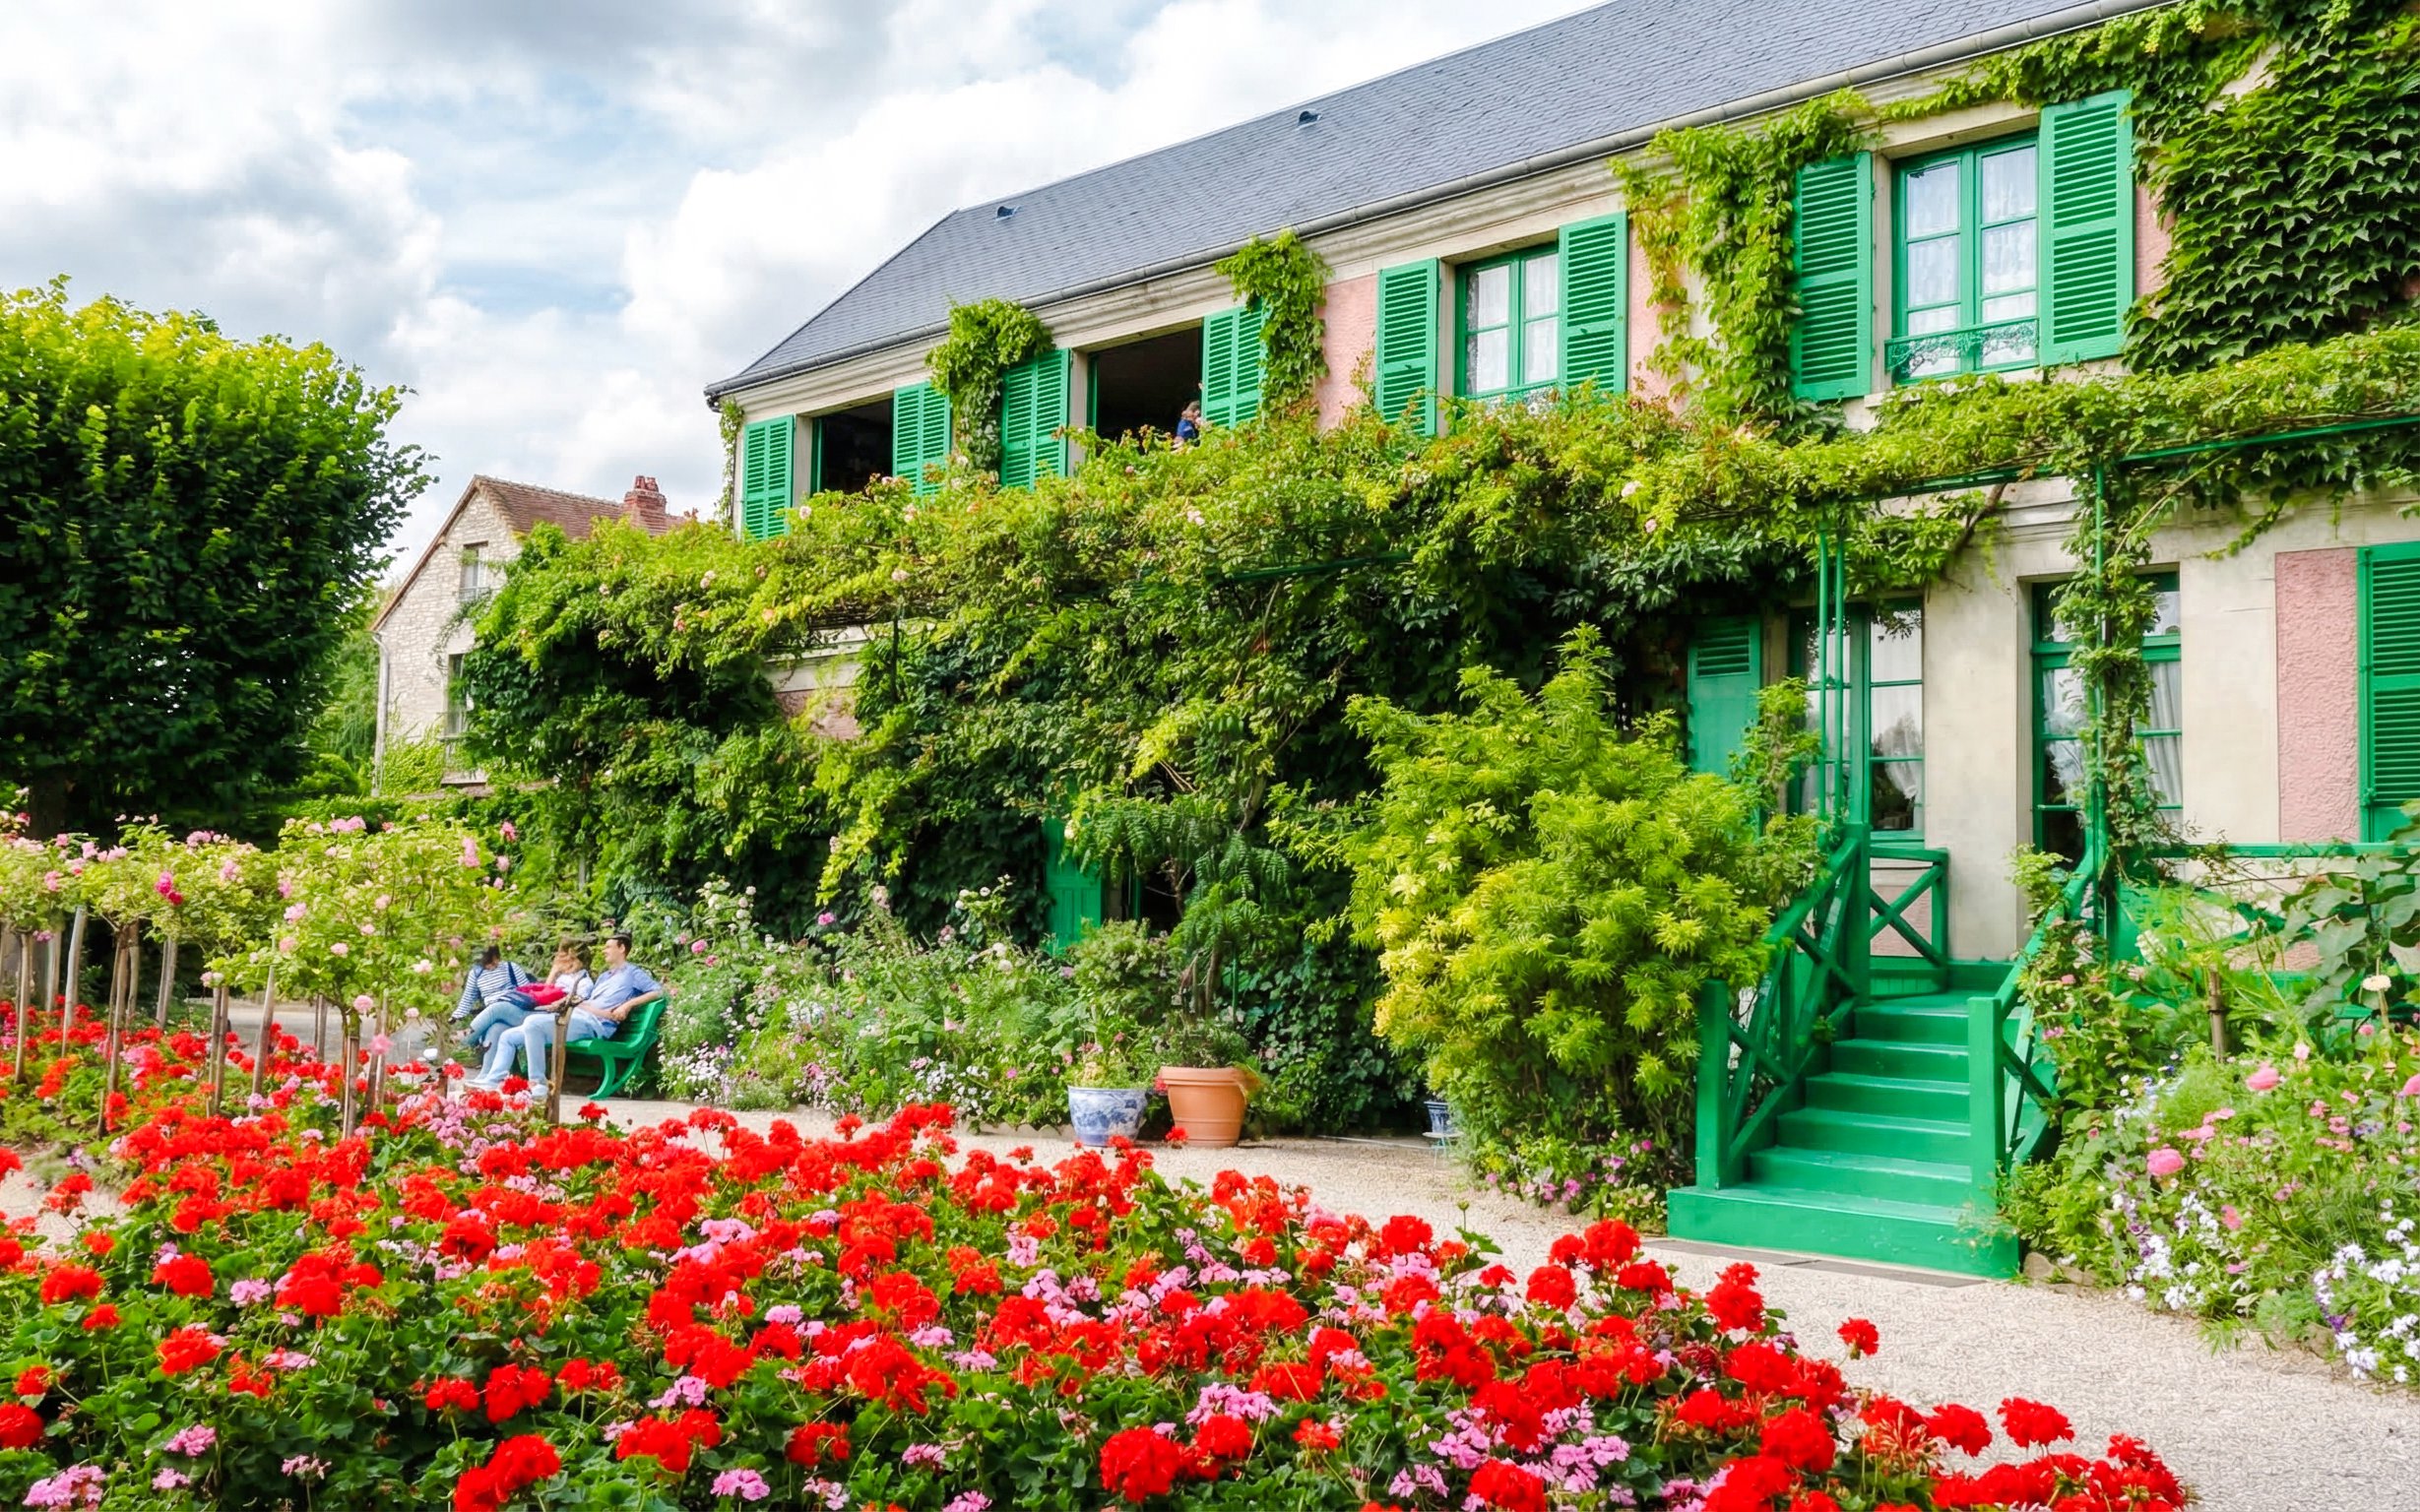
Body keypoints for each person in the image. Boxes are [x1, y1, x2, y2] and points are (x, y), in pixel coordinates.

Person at [468, 932, 662, 1099]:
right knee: (508, 1036)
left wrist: (627, 1005)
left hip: (594, 1025)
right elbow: (587, 1002)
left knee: (533, 1023)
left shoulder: (633, 973)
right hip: (578, 1017)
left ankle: (538, 1083)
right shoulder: (604, 977)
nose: (604, 950)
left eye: (608, 947)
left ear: (622, 948)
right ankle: (493, 1081)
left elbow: (657, 991)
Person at [462, 942, 590, 1050]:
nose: (565, 962)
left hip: (547, 1017)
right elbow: (544, 994)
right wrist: (554, 971)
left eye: (570, 959)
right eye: (563, 958)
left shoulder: (583, 981)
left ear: (581, 961)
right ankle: (488, 1076)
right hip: (537, 1010)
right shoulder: (563, 976)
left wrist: (559, 1001)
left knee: (497, 1009)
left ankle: (462, 1044)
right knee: (497, 1028)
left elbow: (575, 1002)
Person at [452, 946, 532, 1032]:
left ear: (497, 957)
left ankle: (463, 1038)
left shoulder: (510, 967)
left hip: (512, 1007)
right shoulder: (476, 974)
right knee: (494, 1033)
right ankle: (460, 1043)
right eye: (486, 964)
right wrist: (456, 1016)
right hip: (491, 1013)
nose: (490, 966)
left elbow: (527, 991)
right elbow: (468, 997)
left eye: (493, 962)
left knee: (496, 1008)